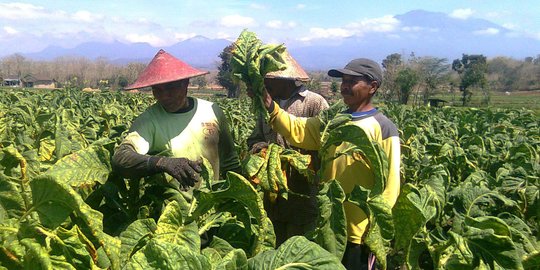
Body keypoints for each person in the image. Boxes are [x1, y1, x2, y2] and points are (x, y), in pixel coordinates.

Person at [252, 58, 401, 269]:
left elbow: (391, 185)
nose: (345, 87)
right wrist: (271, 107)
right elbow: (300, 130)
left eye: (352, 82)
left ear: (373, 87)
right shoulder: (333, 120)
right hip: (328, 224)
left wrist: (374, 229)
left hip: (359, 230)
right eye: (344, 81)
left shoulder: (383, 128)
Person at [112, 49, 241, 193]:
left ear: (185, 84)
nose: (164, 96)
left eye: (171, 88)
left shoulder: (212, 111)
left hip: (210, 208)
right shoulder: (149, 120)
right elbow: (121, 157)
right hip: (172, 211)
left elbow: (230, 161)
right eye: (157, 90)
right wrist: (161, 162)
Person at [246, 51, 329, 246]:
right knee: (274, 243)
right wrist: (261, 150)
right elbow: (254, 138)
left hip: (304, 193)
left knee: (300, 244)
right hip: (272, 193)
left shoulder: (314, 103)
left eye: (269, 80)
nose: (264, 86)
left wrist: (298, 159)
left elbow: (326, 145)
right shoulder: (265, 105)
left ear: (287, 80)